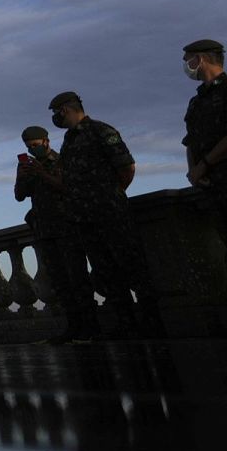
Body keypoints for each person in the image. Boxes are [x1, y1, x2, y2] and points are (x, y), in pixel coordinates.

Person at [46, 92, 164, 337]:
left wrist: (111, 196)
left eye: (56, 113)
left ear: (65, 110)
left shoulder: (100, 131)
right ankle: (126, 323)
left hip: (110, 213)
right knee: (106, 272)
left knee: (133, 268)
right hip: (84, 218)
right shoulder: (69, 140)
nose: (55, 118)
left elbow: (126, 167)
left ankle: (153, 324)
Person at [14, 125, 98, 342]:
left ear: (46, 141)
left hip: (67, 227)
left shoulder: (61, 161)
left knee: (77, 278)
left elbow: (68, 187)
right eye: (29, 147)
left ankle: (90, 326)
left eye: (35, 145)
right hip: (44, 230)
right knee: (60, 282)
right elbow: (19, 196)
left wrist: (42, 173)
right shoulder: (27, 166)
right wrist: (23, 177)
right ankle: (73, 326)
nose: (33, 149)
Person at [181, 40, 227, 278]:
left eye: (188, 59)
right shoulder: (197, 101)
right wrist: (194, 172)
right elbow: (190, 142)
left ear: (201, 59)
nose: (186, 65)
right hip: (213, 188)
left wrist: (204, 165)